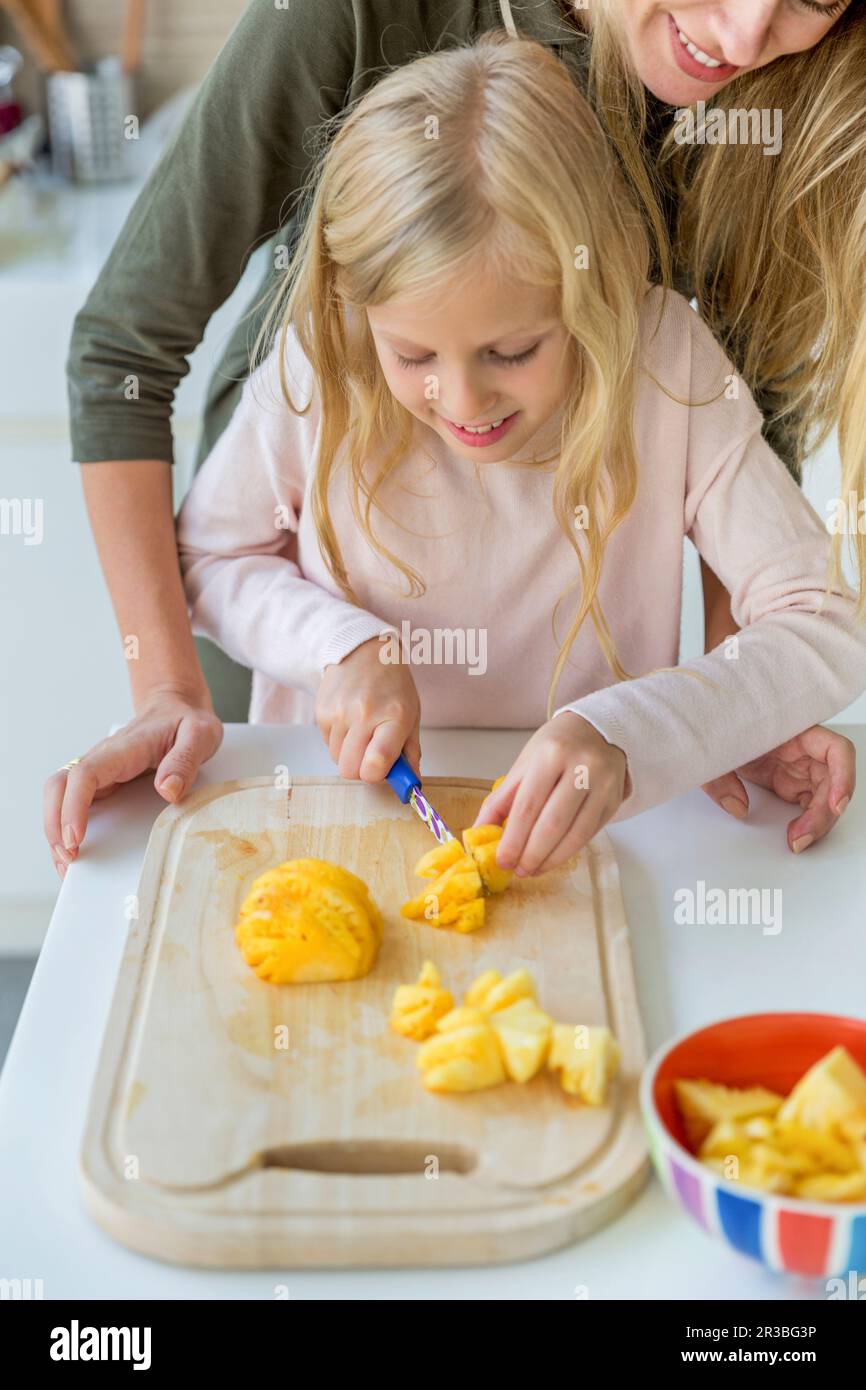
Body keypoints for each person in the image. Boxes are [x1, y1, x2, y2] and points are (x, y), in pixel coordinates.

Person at [47, 0, 865, 877]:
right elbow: (210, 553)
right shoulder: (324, 358)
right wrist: (338, 647)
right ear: (354, 309)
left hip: (588, 845)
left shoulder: (670, 364)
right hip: (327, 819)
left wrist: (713, 715)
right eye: (412, 354)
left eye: (513, 351)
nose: (463, 398)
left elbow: (820, 622)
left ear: (596, 291)